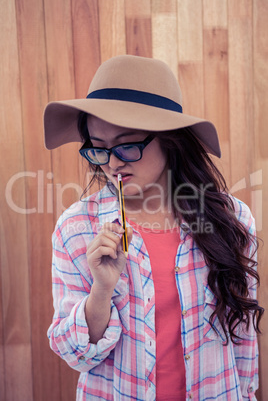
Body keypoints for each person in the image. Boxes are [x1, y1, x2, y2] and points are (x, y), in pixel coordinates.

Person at [44, 55, 264, 401]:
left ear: (169, 139)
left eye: (127, 145)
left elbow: (243, 338)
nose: (113, 162)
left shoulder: (231, 219)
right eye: (99, 150)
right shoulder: (76, 227)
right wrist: (101, 290)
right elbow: (76, 355)